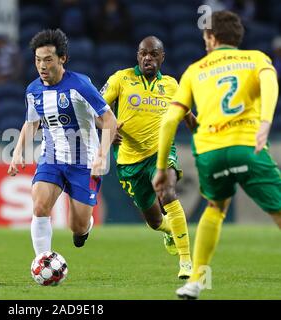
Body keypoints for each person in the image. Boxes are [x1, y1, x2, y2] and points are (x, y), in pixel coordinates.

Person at [153, 11, 281, 299]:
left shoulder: (194, 70)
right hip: (248, 146)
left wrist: (162, 168)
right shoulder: (257, 59)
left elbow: (169, 121)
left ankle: (194, 282)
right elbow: (271, 85)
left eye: (205, 37)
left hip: (210, 153)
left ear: (211, 37)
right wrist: (266, 121)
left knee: (215, 208)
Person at [7, 29, 117, 256]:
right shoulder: (33, 90)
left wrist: (101, 156)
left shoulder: (80, 85)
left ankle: (84, 228)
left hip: (84, 162)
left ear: (62, 58)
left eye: (48, 59)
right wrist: (18, 152)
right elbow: (31, 123)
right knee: (39, 205)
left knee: (76, 227)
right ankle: (42, 260)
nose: (42, 66)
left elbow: (109, 119)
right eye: (38, 60)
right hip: (51, 157)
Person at [101, 36, 196, 280]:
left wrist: (204, 133)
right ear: (137, 55)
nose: (148, 58)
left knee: (168, 192)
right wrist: (108, 130)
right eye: (143, 53)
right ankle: (169, 230)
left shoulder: (173, 85)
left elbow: (188, 116)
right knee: (154, 221)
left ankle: (186, 261)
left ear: (162, 58)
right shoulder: (121, 79)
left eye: (153, 54)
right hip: (128, 160)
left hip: (161, 153)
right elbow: (96, 108)